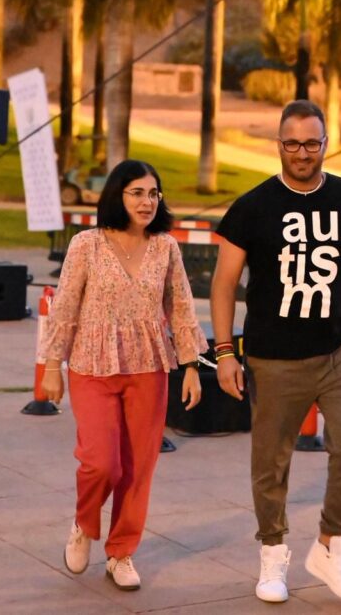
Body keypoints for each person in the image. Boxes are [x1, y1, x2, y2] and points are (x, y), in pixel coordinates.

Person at [210, 100, 341, 603]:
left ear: (326, 144)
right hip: (273, 357)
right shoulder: (252, 207)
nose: (302, 153)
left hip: (340, 349)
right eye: (293, 143)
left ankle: (331, 544)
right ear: (279, 145)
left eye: (312, 143)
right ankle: (272, 553)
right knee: (271, 463)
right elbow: (224, 283)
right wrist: (224, 352)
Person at [40, 159, 208, 591]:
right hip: (91, 364)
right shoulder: (86, 244)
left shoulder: (165, 247)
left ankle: (121, 553)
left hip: (149, 367)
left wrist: (191, 366)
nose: (147, 202)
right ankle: (84, 523)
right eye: (137, 193)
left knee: (138, 468)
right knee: (101, 463)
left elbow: (181, 308)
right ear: (117, 195)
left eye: (153, 193)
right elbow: (64, 307)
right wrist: (52, 366)